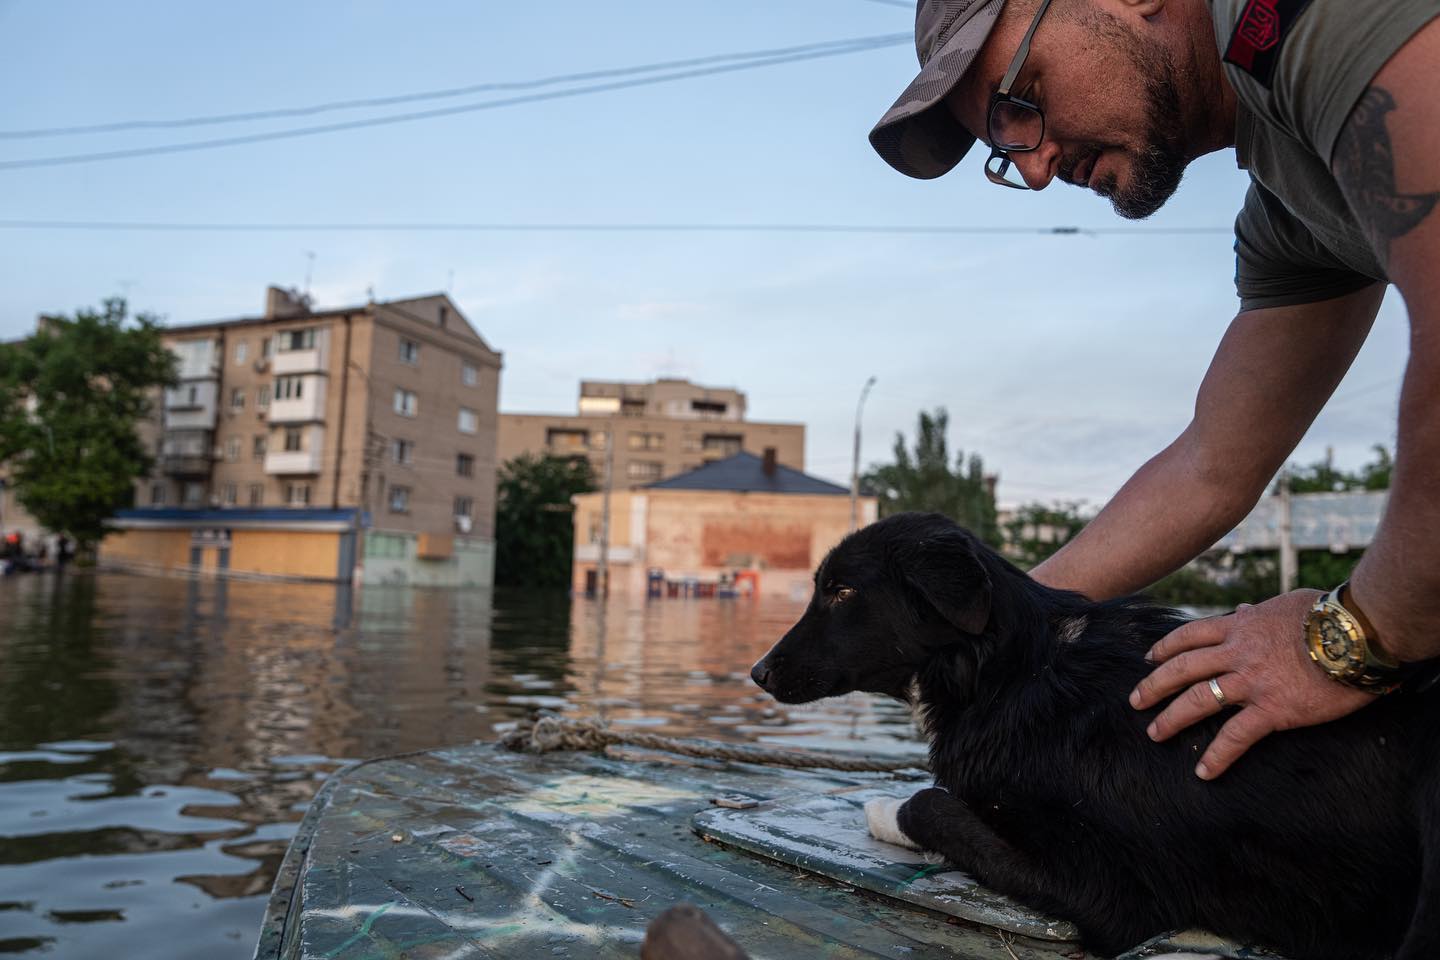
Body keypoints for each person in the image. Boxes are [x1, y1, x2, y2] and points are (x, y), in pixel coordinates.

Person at [868, 0, 1440, 780]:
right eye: (999, 147)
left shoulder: (1313, 17)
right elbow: (1211, 466)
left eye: (1020, 101)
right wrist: (1002, 630)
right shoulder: (1292, 205)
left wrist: (1353, 640)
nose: (1033, 168)